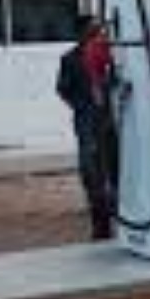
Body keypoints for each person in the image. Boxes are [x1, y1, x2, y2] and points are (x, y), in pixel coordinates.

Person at [57, 15, 115, 241]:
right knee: (91, 171)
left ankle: (118, 218)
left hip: (111, 118)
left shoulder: (110, 54)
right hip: (87, 121)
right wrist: (83, 106)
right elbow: (63, 88)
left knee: (114, 167)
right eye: (92, 30)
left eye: (98, 30)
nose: (97, 34)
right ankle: (101, 226)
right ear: (80, 33)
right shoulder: (70, 59)